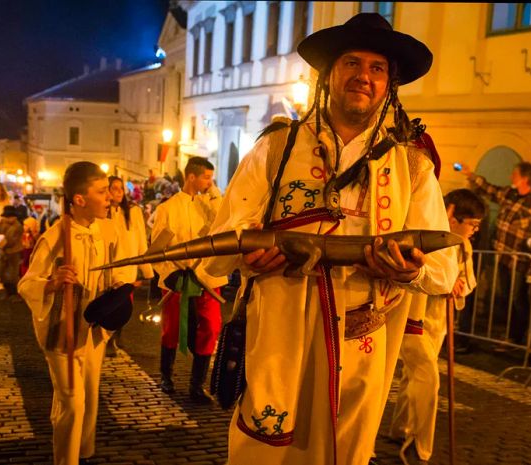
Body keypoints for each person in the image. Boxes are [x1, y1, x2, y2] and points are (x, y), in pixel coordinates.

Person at [203, 13, 458, 464]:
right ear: (329, 74)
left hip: (360, 347)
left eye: (377, 68)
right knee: (264, 451)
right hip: (279, 334)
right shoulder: (276, 149)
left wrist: (409, 267)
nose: (363, 76)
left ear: (389, 84)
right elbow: (223, 240)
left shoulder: (412, 169)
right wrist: (248, 256)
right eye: (352, 63)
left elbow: (442, 273)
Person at [18, 161, 129, 465]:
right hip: (62, 330)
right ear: (79, 199)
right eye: (103, 191)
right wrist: (52, 283)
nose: (110, 197)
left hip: (93, 330)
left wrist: (118, 287)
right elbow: (27, 283)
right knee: (73, 402)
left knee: (89, 397)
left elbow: (116, 268)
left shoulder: (107, 230)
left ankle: (84, 451)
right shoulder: (54, 237)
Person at [390, 189, 484, 464]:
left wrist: (458, 286)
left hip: (438, 322)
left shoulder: (464, 246)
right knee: (427, 376)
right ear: (452, 214)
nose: (474, 231)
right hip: (413, 317)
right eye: (472, 224)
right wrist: (442, 281)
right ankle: (419, 447)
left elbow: (467, 282)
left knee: (413, 375)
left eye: (478, 225)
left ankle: (400, 428)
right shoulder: (425, 234)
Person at [152, 156, 226, 404]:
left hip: (207, 277)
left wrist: (213, 195)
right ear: (191, 177)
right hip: (178, 278)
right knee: (171, 328)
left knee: (211, 327)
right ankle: (167, 376)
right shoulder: (167, 209)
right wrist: (168, 274)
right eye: (206, 177)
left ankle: (197, 385)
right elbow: (156, 250)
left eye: (211, 178)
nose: (209, 182)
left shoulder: (213, 206)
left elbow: (225, 224)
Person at [458, 161, 531, 347]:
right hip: (503, 256)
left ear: (525, 178)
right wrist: (471, 175)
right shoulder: (510, 194)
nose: (511, 177)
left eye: (515, 174)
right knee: (507, 296)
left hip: (520, 259)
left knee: (518, 299)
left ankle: (518, 337)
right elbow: (491, 190)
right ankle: (510, 335)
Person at [104, 176, 154, 357]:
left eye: (120, 188)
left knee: (125, 305)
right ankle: (108, 338)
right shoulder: (102, 212)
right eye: (113, 188)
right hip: (108, 268)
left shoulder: (133, 212)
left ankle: (118, 334)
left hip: (128, 268)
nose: (118, 192)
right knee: (110, 305)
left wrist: (146, 269)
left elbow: (141, 240)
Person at [0, 205, 24, 302]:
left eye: (9, 217)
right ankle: (8, 292)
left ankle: (17, 294)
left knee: (13, 275)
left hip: (14, 252)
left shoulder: (18, 226)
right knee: (0, 272)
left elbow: (12, 241)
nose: (7, 219)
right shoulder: (3, 222)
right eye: (6, 217)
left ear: (14, 217)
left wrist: (1, 243)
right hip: (3, 252)